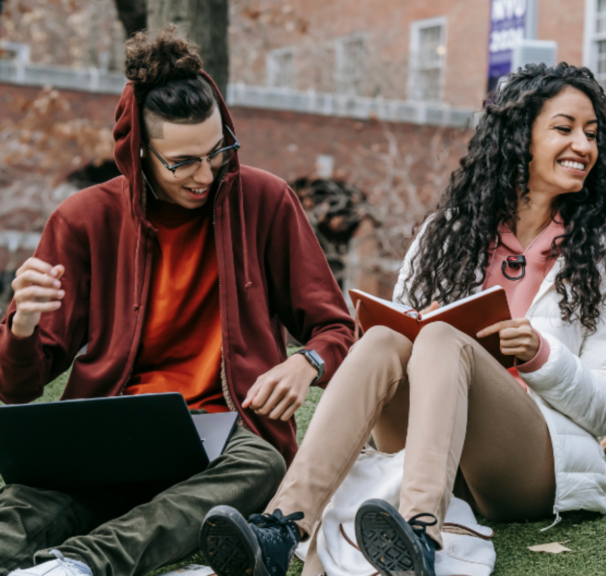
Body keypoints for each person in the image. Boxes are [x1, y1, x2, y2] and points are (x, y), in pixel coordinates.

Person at [198, 62, 606, 576]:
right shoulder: (446, 234)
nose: (583, 146)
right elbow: (401, 341)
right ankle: (281, 527)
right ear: (518, 137)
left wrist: (542, 355)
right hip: (428, 448)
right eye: (564, 129)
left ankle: (418, 535)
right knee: (389, 337)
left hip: (528, 464)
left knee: (442, 340)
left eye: (592, 134)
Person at [0, 26, 356, 576]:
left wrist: (305, 362)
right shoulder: (83, 219)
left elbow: (336, 328)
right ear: (137, 151)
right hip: (110, 435)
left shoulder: (266, 201)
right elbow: (20, 386)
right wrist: (21, 327)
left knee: (261, 466)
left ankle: (78, 566)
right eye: (183, 161)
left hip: (227, 437)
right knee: (20, 509)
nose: (206, 173)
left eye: (218, 151)